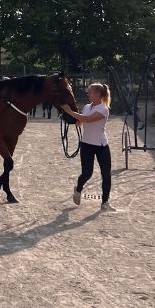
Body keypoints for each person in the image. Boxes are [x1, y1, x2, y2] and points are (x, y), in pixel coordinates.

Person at [62, 82, 116, 212]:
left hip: (101, 145)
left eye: (90, 92)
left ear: (98, 94)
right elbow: (80, 123)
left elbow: (87, 119)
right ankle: (78, 189)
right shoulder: (86, 107)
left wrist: (70, 111)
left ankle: (105, 202)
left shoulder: (104, 109)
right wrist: (68, 117)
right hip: (86, 144)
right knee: (87, 173)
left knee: (106, 174)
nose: (88, 94)